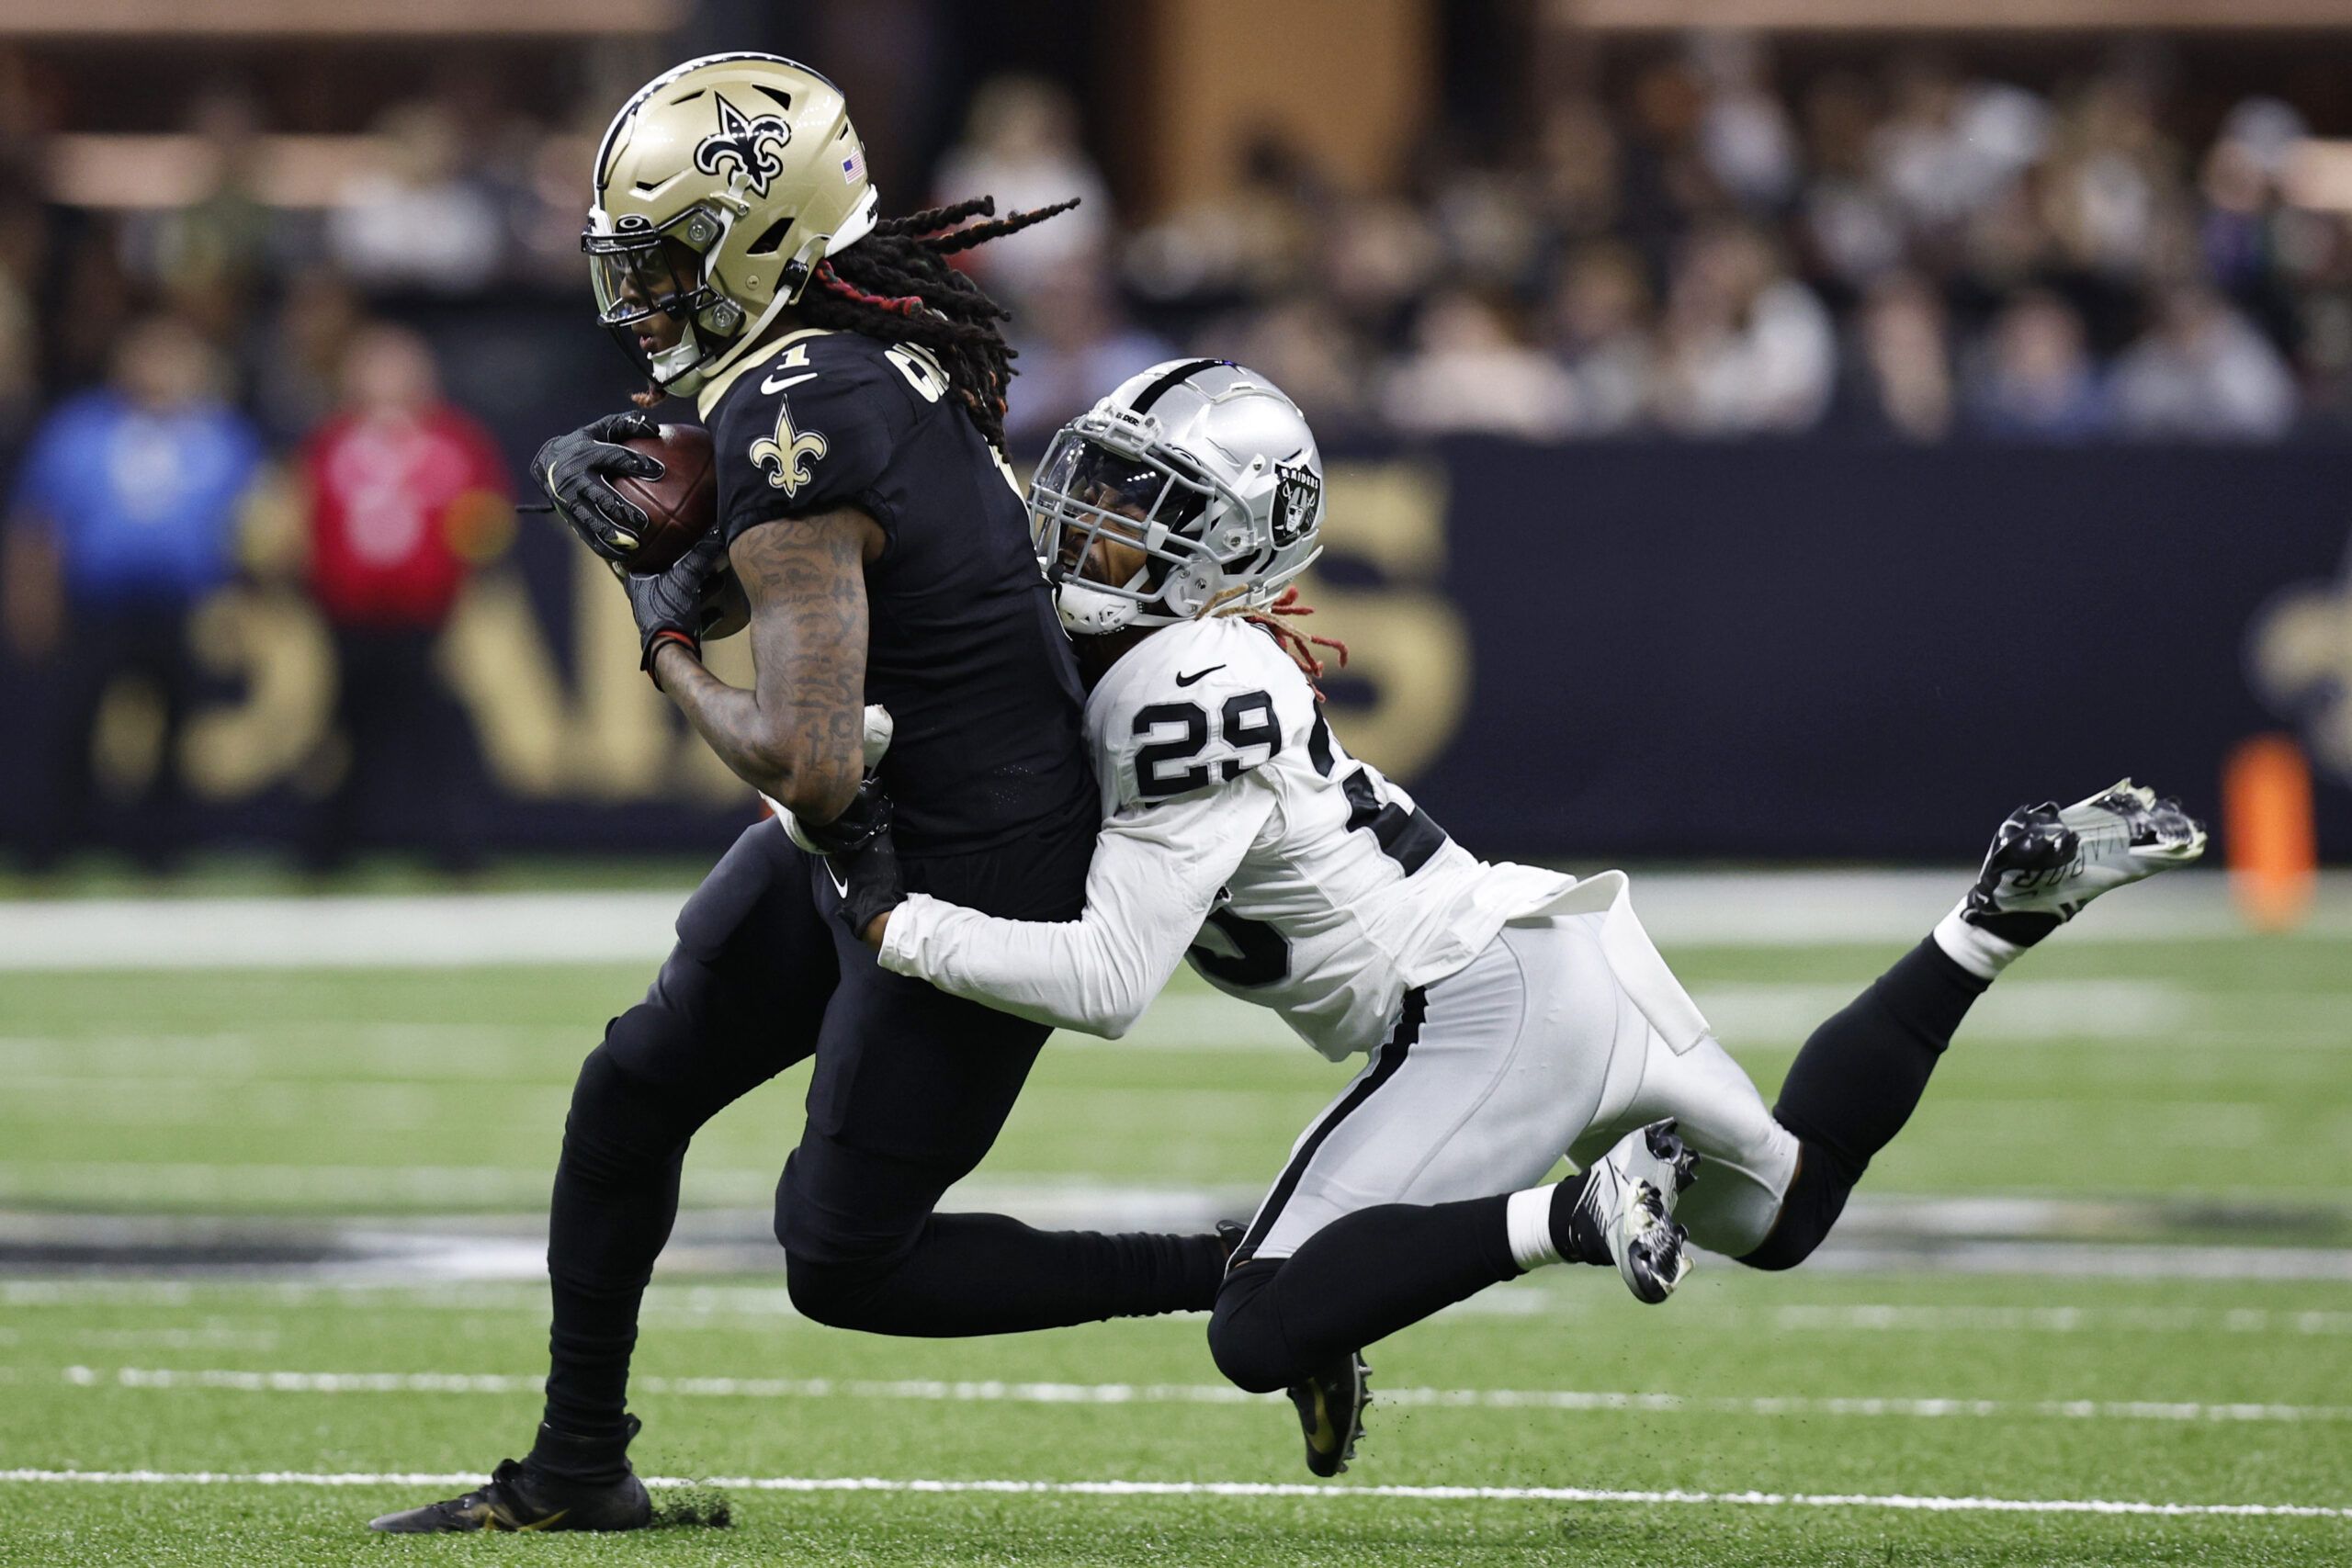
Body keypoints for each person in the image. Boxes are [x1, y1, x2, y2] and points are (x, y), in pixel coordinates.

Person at [836, 359, 2208, 1477]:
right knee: (1789, 1211)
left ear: (1234, 540)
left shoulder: (1182, 678)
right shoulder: (1164, 652)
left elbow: (1108, 977)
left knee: (1255, 1324)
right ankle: (1992, 916)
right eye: (1104, 481)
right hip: (1553, 953)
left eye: (1146, 502)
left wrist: (894, 919)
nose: (1095, 517)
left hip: (1478, 999)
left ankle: (1577, 1212)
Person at [368, 54, 1226, 1534]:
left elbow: (806, 748)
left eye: (666, 259)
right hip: (885, 814)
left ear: (758, 247)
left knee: (845, 1260)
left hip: (968, 857)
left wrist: (660, 624)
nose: (639, 293)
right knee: (631, 1085)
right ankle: (577, 1467)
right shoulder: (841, 353)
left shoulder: (800, 398)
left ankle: (1237, 1271)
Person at [3, 315, 265, 870]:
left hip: (184, 609)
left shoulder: (222, 436)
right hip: (97, 607)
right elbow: (38, 525)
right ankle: (54, 847)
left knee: (178, 731)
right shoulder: (78, 430)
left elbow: (257, 526)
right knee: (72, 726)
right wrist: (31, 600)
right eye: (146, 356)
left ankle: (165, 852)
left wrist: (245, 607)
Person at [299, 323, 509, 871]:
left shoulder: (453, 440)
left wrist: (461, 574)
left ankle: (457, 850)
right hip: (350, 620)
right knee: (346, 734)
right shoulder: (334, 440)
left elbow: (482, 519)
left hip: (423, 619)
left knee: (436, 731)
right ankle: (326, 852)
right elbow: (310, 522)